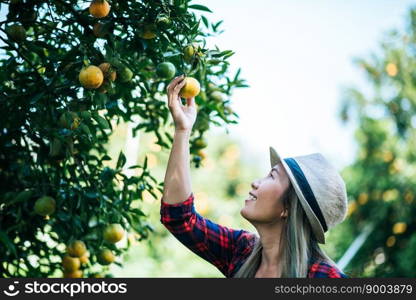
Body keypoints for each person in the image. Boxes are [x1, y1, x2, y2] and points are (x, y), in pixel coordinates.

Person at [160, 75, 349, 278]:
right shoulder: (242, 251)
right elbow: (179, 218)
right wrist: (183, 130)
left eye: (272, 176)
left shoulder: (323, 276)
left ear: (288, 207)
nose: (256, 182)